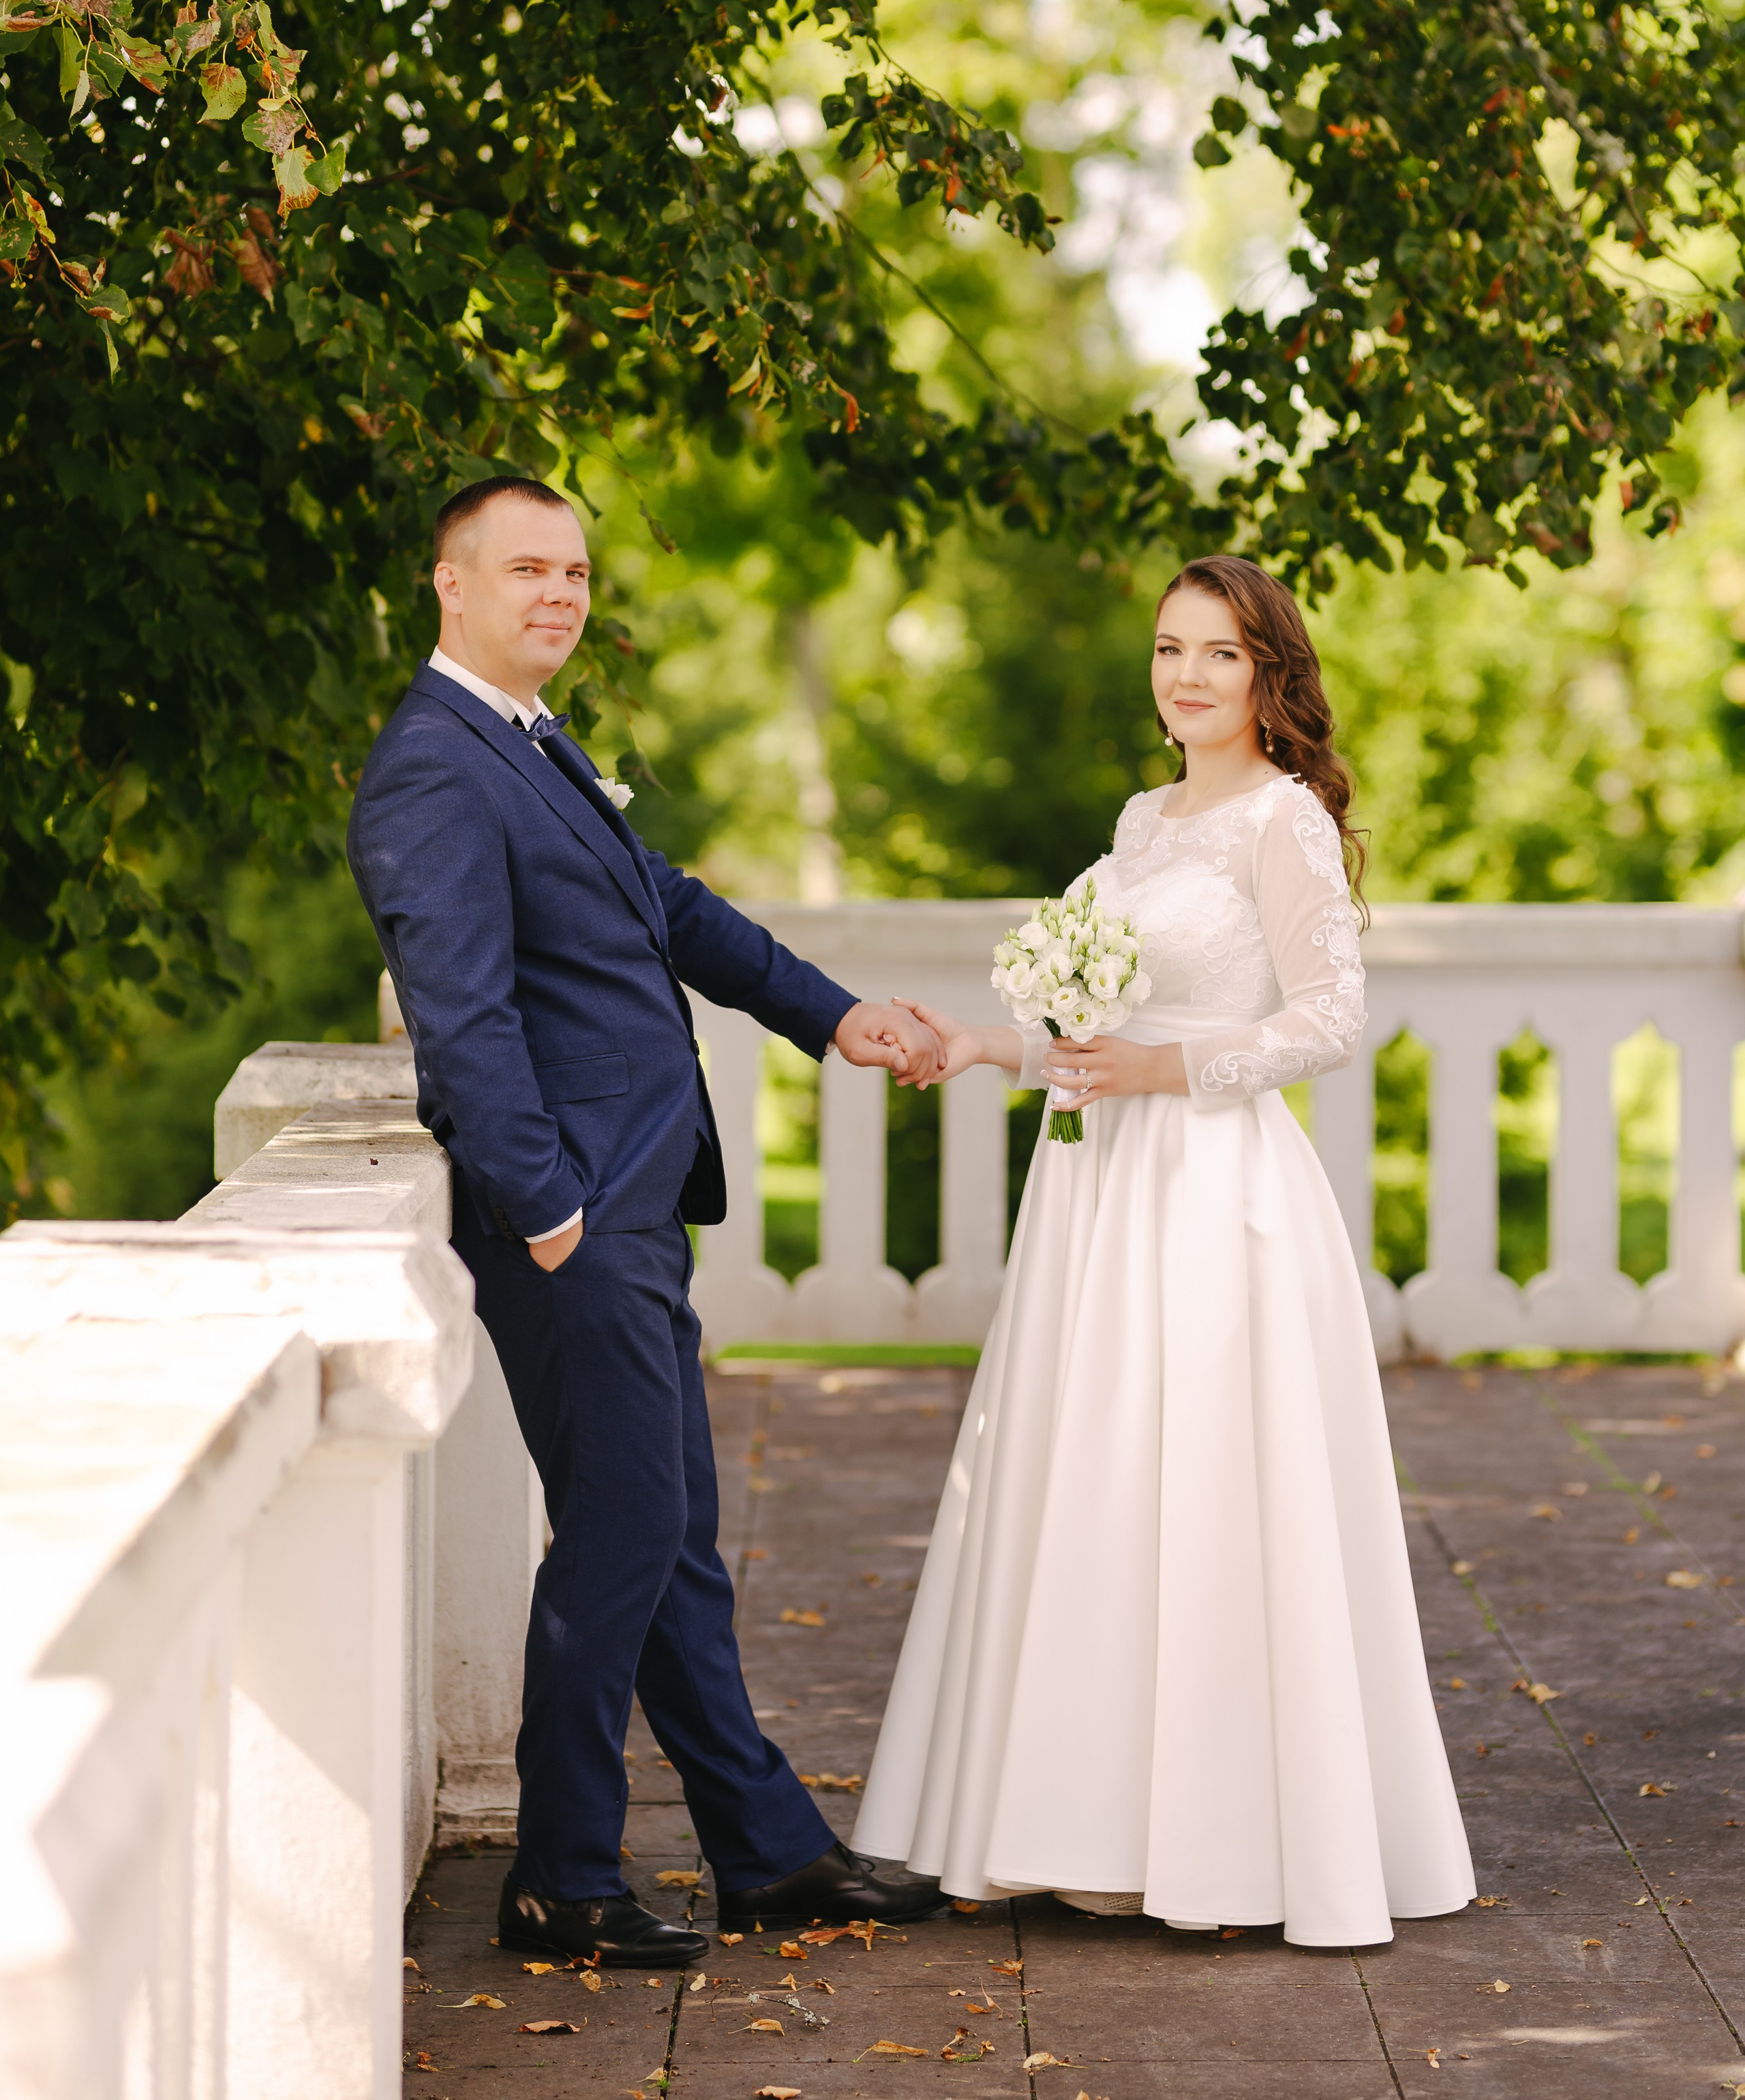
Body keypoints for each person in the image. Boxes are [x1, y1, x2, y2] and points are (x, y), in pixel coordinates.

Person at [347, 475, 950, 1967]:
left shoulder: (530, 739)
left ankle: (767, 1851)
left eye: (573, 571)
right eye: (526, 570)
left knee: (668, 1532)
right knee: (624, 1533)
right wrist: (547, 1210)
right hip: (572, 1216)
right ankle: (561, 1874)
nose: (559, 593)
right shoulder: (432, 768)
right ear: (451, 585)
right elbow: (464, 1019)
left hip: (631, 1195)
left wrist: (835, 1014)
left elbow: (668, 908)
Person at [854, 556, 1474, 1947]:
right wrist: (984, 1046)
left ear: (1269, 676)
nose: (1185, 677)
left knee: (1204, 1488)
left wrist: (1167, 1071)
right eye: (1167, 649)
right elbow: (1098, 1033)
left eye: (1219, 653)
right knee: (1097, 1482)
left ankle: (1225, 1845)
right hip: (1101, 1193)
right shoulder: (1142, 820)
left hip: (1213, 1193)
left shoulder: (1281, 821)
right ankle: (1076, 1829)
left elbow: (1329, 1020)